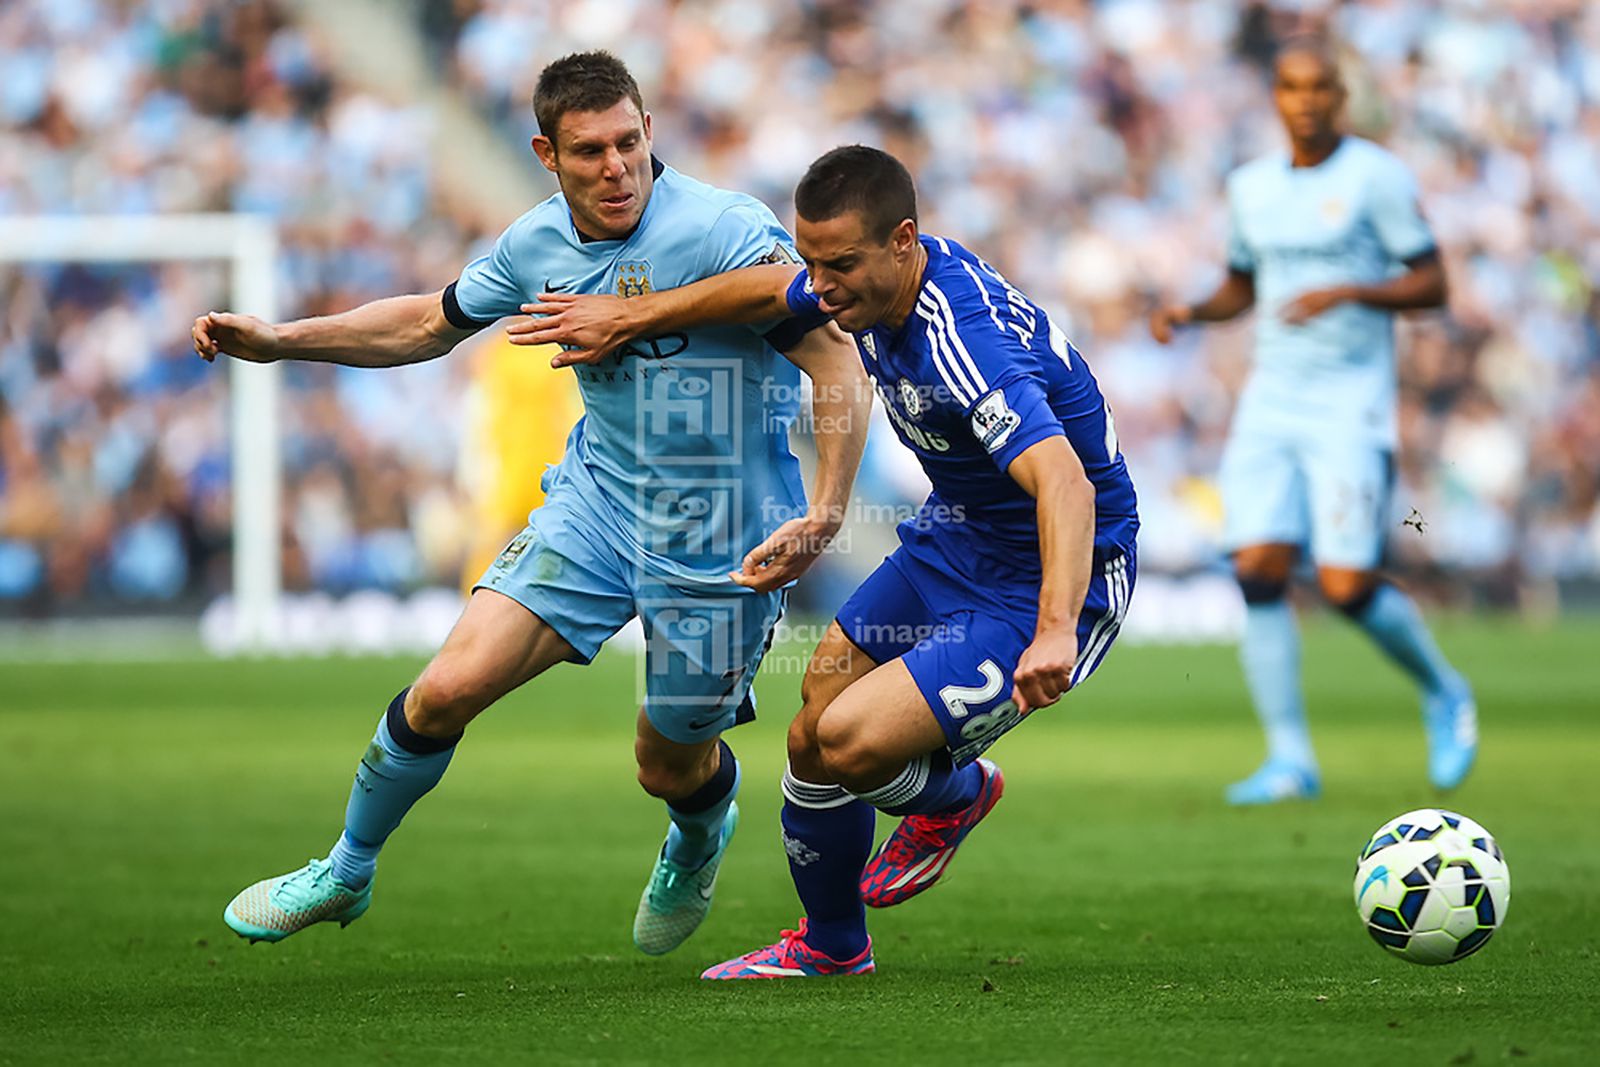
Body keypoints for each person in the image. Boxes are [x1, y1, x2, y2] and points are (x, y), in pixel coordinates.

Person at [191, 51, 868, 955]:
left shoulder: (721, 231)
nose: (616, 168)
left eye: (629, 143)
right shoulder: (534, 244)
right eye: (590, 152)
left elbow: (836, 362)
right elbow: (429, 322)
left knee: (664, 763)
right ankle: (345, 867)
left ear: (650, 133)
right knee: (444, 690)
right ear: (548, 153)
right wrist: (282, 340)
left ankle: (700, 830)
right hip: (596, 510)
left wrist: (824, 510)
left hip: (722, 539)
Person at [513, 145, 1139, 977]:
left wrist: (1056, 629)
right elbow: (766, 291)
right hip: (960, 536)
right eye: (813, 261)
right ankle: (833, 945)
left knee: (846, 741)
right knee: (814, 714)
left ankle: (956, 796)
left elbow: (1064, 481)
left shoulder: (963, 339)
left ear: (904, 240)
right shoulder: (862, 280)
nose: (821, 285)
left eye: (838, 265)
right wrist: (633, 315)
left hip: (1059, 571)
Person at [1147, 38, 1475, 805]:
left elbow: (1432, 282)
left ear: (1341, 96)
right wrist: (1192, 309)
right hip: (1272, 399)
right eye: (1292, 87)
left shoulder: (1376, 178)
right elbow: (1241, 285)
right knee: (1257, 569)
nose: (1307, 101)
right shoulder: (1251, 188)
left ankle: (1444, 689)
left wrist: (1351, 292)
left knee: (1345, 583)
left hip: (1349, 405)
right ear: (1276, 97)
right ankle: (1290, 757)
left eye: (1321, 87)